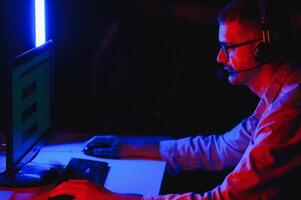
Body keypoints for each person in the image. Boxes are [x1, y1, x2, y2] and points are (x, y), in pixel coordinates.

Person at [47, 0, 301, 199]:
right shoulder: (278, 96)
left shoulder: (287, 113)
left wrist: (113, 199)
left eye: (229, 48)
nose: (220, 58)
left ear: (263, 49)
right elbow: (221, 148)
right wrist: (130, 148)